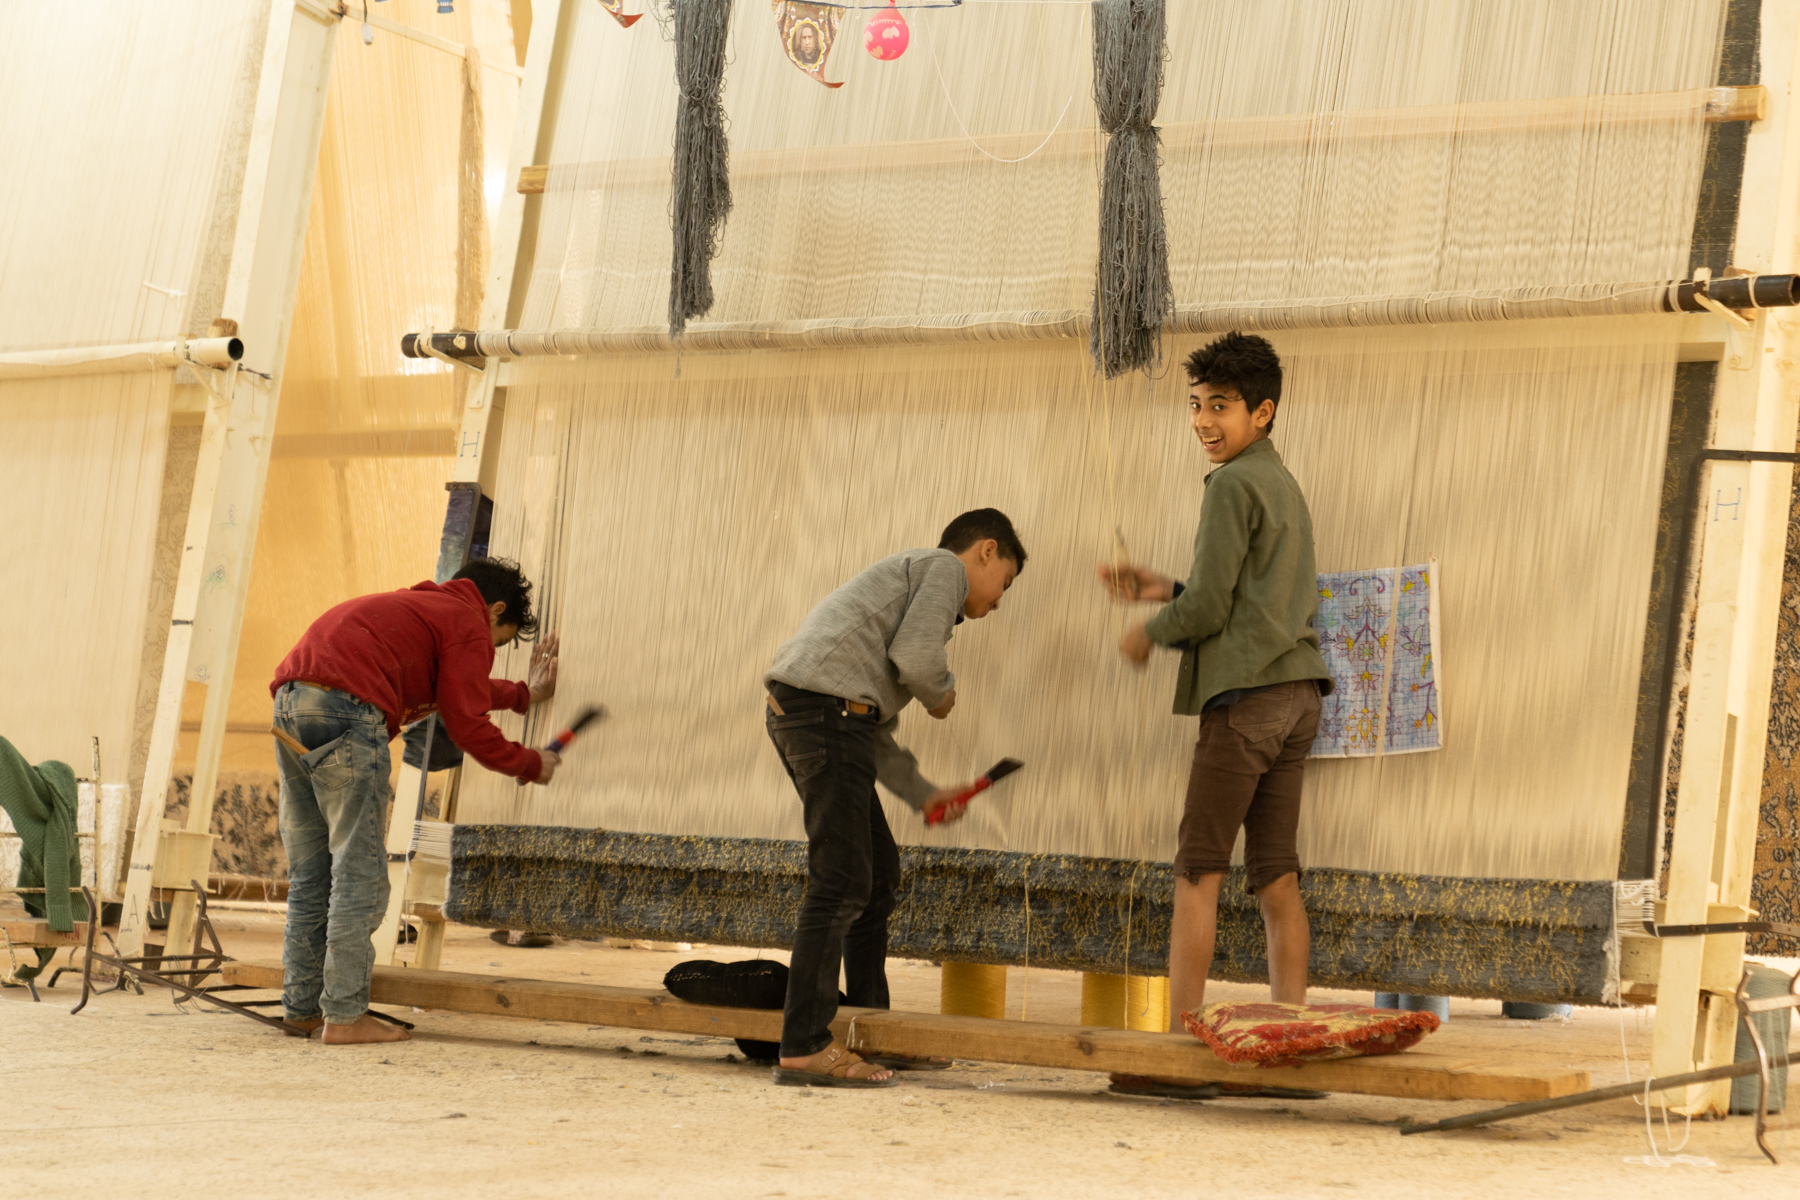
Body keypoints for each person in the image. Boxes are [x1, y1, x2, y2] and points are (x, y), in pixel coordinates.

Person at [1097, 332, 1332, 1097]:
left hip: (1246, 704)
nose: (1203, 421)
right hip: (1297, 699)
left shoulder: (1230, 486)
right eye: (1196, 405)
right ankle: (1288, 1053)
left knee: (1198, 871)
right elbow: (1245, 597)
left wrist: (1149, 630)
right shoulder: (1280, 483)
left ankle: (1179, 1054)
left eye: (1221, 407)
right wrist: (1164, 589)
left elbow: (1209, 609)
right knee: (1276, 878)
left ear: (1261, 412)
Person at [764, 508, 1026, 1087]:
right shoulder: (941, 569)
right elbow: (917, 660)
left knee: (876, 878)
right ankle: (804, 1044)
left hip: (828, 718)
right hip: (821, 715)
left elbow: (871, 733)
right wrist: (940, 694)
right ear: (986, 551)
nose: (998, 601)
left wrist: (925, 794)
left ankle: (871, 1029)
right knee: (840, 882)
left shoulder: (878, 632)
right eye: (1004, 583)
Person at [269, 558, 561, 1045]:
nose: (488, 651)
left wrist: (524, 695)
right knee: (359, 874)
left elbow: (454, 689)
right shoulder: (467, 621)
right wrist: (528, 764)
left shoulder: (421, 611)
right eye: (499, 642)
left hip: (292, 705)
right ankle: (343, 1016)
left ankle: (302, 1009)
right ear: (495, 610)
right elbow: (466, 721)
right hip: (349, 713)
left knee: (313, 872)